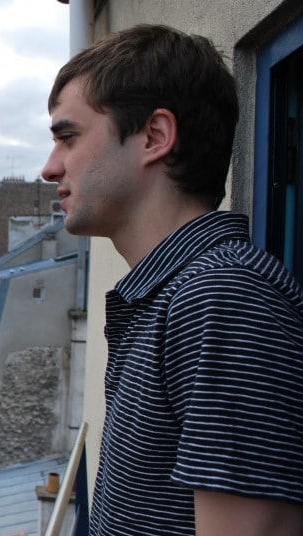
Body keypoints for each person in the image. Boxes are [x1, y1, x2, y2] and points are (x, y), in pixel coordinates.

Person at [41, 24, 303, 535]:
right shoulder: (175, 297)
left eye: (67, 137)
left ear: (155, 136)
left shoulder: (224, 297)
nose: (50, 167)